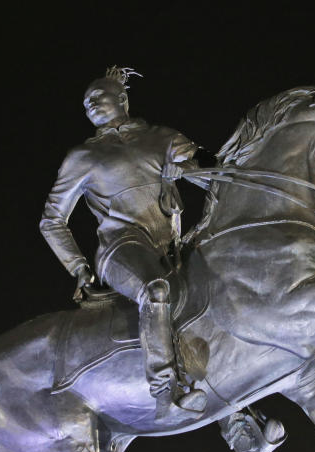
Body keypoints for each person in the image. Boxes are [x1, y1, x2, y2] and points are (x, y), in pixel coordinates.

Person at [39, 66, 206, 419]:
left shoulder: (162, 137)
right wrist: (78, 267)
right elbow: (51, 219)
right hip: (121, 248)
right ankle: (165, 391)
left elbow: (211, 175)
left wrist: (191, 170)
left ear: (123, 100)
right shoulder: (82, 157)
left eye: (99, 97)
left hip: (174, 248)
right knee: (155, 290)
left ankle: (239, 423)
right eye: (87, 105)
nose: (92, 106)